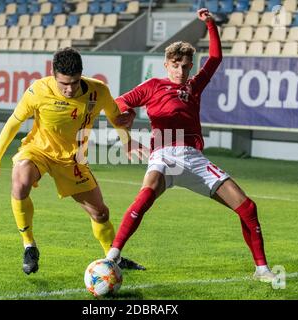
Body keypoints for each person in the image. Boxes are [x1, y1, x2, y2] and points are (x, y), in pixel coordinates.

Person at [106, 9, 276, 282]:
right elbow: (117, 106)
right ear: (166, 64)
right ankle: (112, 256)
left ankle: (262, 270)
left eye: (186, 66)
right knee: (146, 194)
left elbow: (216, 57)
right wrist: (127, 124)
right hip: (163, 153)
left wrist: (210, 24)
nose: (181, 71)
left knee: (248, 208)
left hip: (194, 158)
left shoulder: (194, 86)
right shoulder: (151, 86)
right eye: (176, 65)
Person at [0, 48, 145, 275]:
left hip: (73, 160)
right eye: (63, 84)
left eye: (74, 83)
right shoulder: (38, 90)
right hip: (38, 151)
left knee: (101, 213)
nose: (69, 89)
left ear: (81, 74)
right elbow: (13, 123)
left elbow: (116, 117)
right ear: (53, 74)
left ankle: (113, 257)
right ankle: (29, 245)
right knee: (20, 179)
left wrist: (127, 139)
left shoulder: (98, 91)